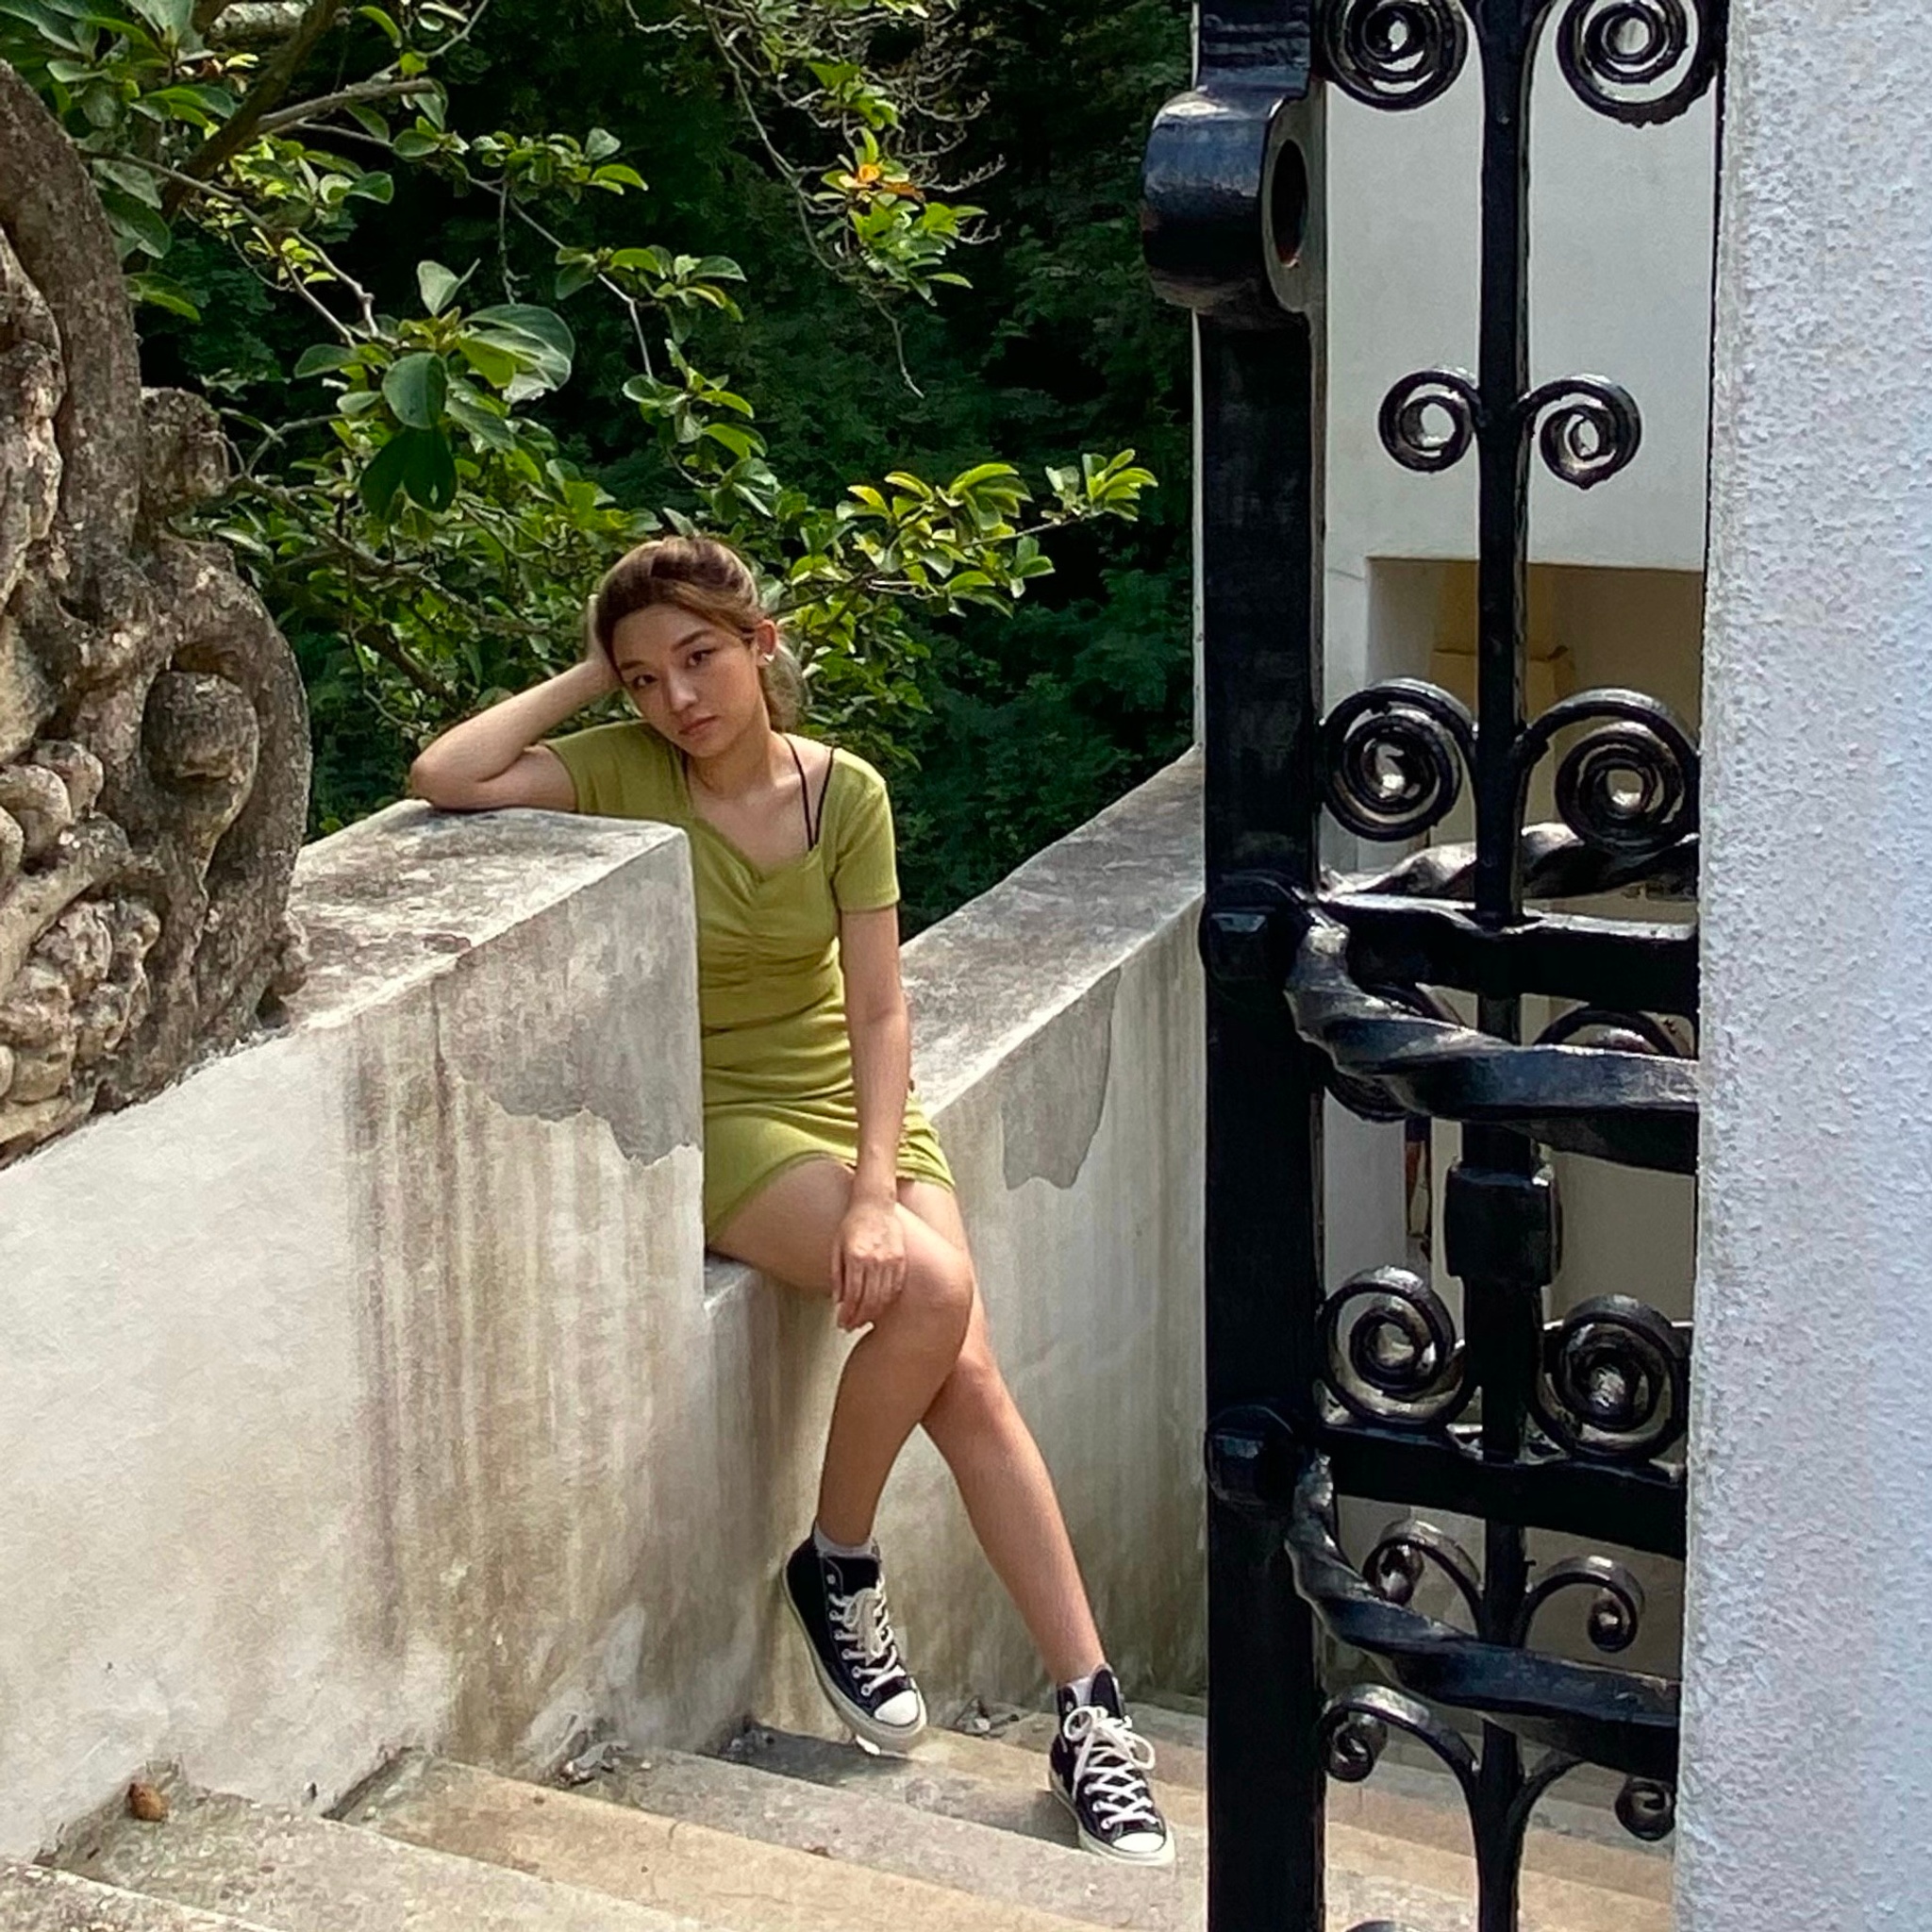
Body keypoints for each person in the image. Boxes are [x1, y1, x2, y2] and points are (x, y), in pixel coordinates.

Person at [408, 534, 1173, 1866]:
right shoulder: (624, 774)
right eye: (643, 677)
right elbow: (444, 776)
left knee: (971, 1374)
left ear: (761, 646)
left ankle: (1090, 1715)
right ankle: (839, 1559)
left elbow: (880, 1009)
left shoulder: (844, 794)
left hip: (854, 1108)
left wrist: (878, 1188)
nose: (677, 699)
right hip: (722, 1119)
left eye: (698, 656)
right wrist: (587, 674)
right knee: (934, 1297)